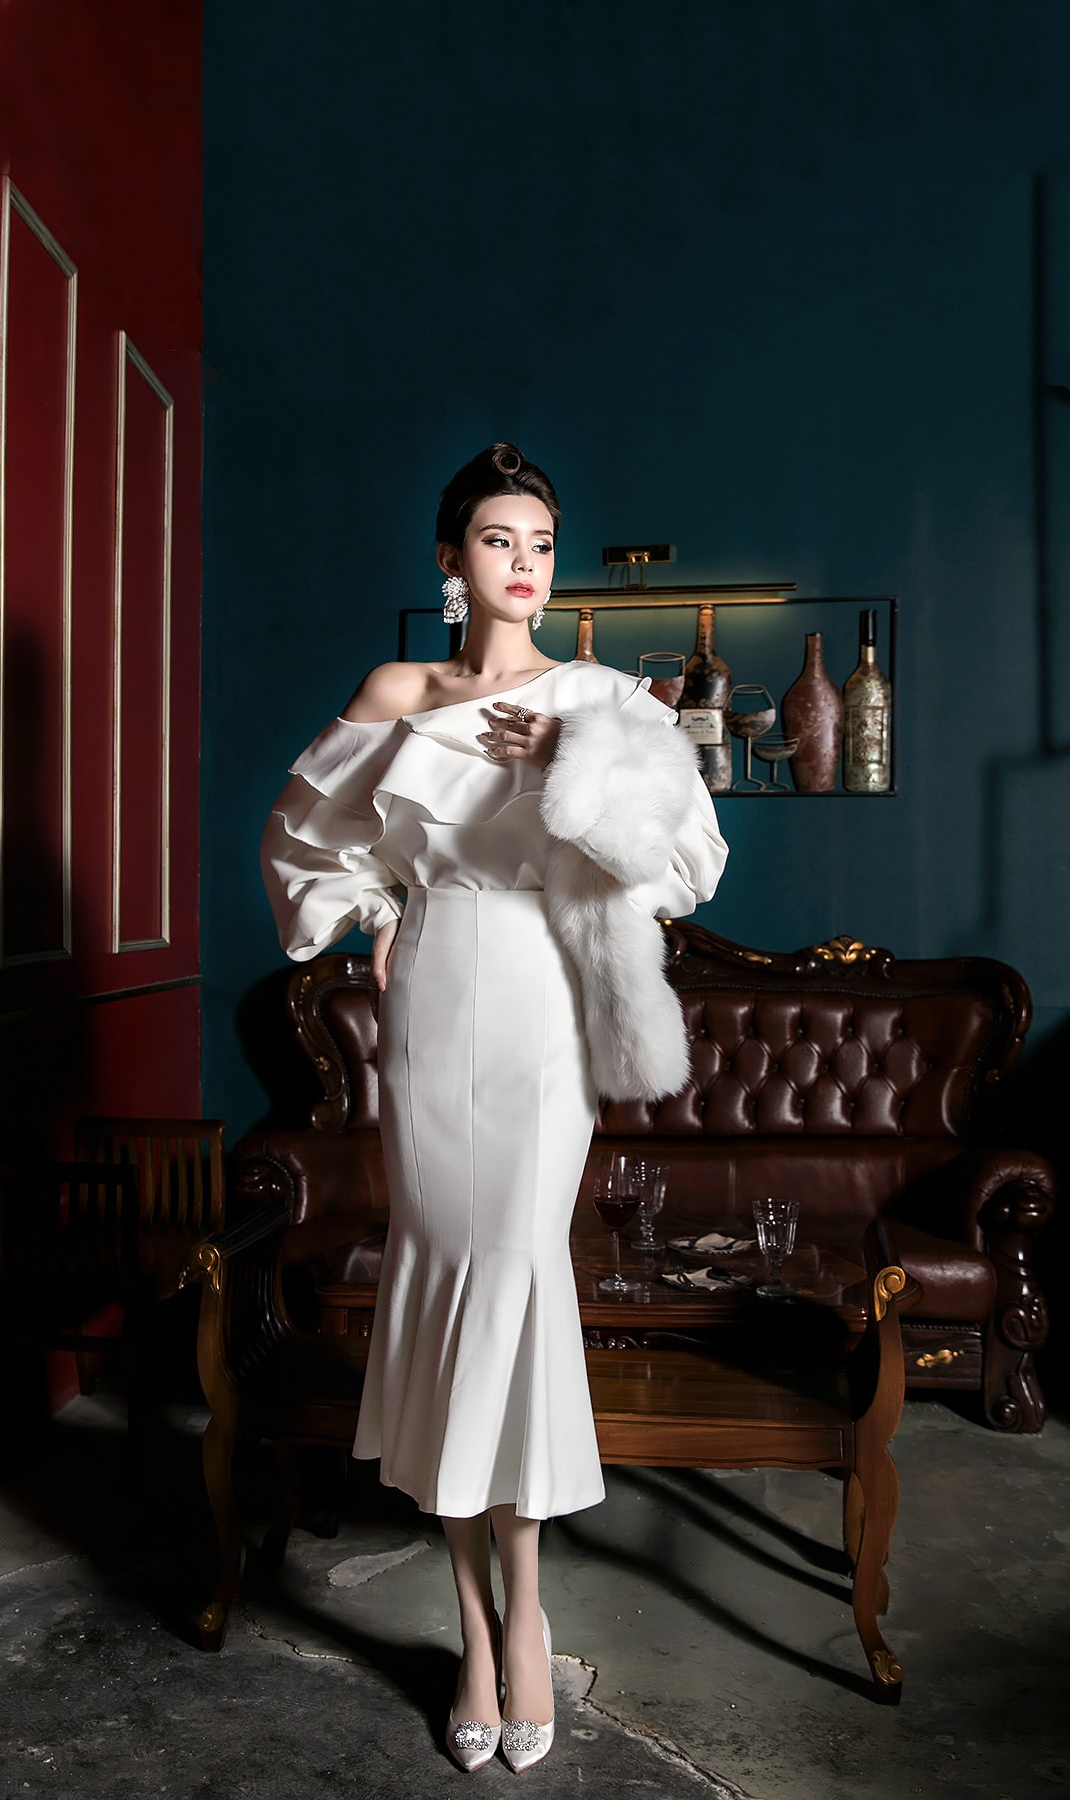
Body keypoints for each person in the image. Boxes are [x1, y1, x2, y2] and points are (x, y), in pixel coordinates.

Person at [261, 443, 727, 1773]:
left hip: (545, 998)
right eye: (497, 539)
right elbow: (302, 838)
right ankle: (472, 1624)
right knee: (441, 1277)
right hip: (439, 996)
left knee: (517, 1277)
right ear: (449, 560)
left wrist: (576, 759)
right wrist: (376, 911)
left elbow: (686, 861)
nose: (524, 563)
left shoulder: (603, 698)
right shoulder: (397, 692)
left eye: (541, 543)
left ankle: (528, 1610)